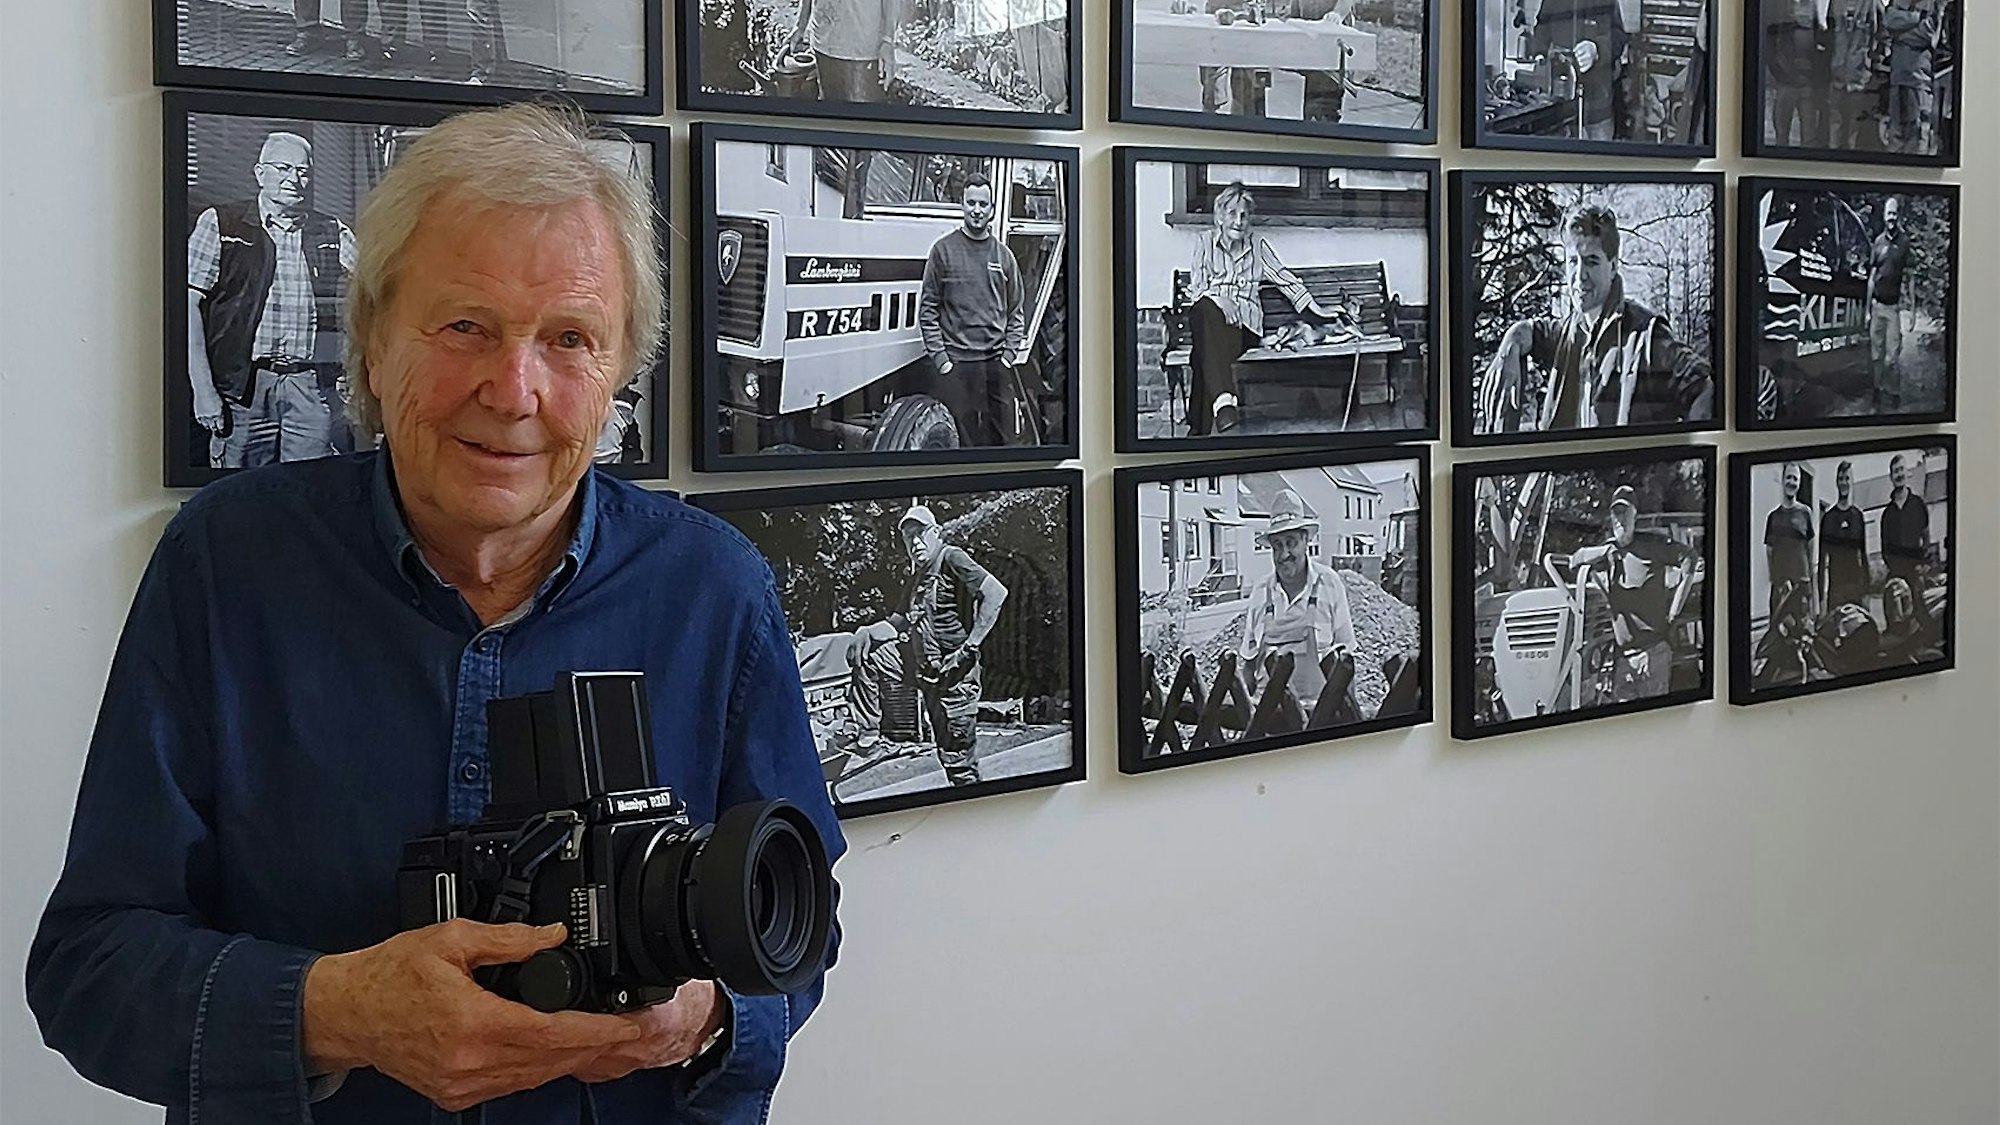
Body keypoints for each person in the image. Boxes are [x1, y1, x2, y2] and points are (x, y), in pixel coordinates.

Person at [30, 103, 844, 1122]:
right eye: (466, 326)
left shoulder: (712, 588)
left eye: (569, 339)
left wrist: (708, 1014)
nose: (514, 390)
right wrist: (339, 1012)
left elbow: (796, 925)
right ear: (371, 342)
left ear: (618, 376)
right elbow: (90, 965)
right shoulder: (228, 565)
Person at [187, 130, 357, 470]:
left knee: (312, 492)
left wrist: (355, 368)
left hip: (309, 388)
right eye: (282, 168)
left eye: (303, 171)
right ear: (259, 173)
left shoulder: (331, 231)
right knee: (240, 494)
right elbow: (187, 307)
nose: (294, 179)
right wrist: (203, 391)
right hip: (243, 387)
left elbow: (377, 295)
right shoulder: (221, 224)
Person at [1482, 203, 1713, 434]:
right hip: (1567, 467)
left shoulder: (1645, 336)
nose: (1579, 275)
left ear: (1613, 267)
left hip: (1623, 468)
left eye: (1591, 261)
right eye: (1573, 261)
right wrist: (1508, 350)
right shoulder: (1567, 333)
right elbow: (1528, 330)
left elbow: (1704, 389)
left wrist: (1687, 464)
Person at [1181, 183, 1346, 436]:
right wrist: (1220, 300)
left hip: (1243, 330)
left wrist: (1318, 310)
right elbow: (1197, 288)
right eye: (1233, 213)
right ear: (1220, 216)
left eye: (1245, 215)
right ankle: (1223, 404)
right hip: (1211, 321)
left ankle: (1198, 428)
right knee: (1204, 310)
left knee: (1201, 352)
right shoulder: (1204, 243)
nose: (1239, 221)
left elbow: (1285, 279)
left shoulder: (1257, 246)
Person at [895, 505, 1007, 787]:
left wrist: (970, 647)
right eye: (909, 538)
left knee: (960, 762)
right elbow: (898, 621)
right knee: (949, 757)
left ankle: (974, 818)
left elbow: (995, 593)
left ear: (935, 533)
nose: (916, 542)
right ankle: (870, 735)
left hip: (957, 678)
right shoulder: (917, 576)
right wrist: (864, 634)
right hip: (932, 680)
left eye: (921, 534)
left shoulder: (951, 557)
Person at [917, 172, 1027, 447]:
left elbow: (1016, 311)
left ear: (992, 210)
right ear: (962, 205)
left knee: (1000, 440)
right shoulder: (943, 251)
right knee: (961, 441)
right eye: (971, 203)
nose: (977, 210)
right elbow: (928, 308)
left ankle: (995, 489)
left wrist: (1008, 356)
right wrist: (942, 360)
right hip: (956, 364)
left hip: (994, 363)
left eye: (983, 204)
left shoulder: (1004, 256)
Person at [1236, 489, 1358, 728]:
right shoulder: (1261, 592)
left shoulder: (1329, 584)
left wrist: (1350, 717)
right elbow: (1248, 666)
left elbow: (1347, 661)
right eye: (1277, 546)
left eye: (1291, 543)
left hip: (1319, 720)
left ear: (1306, 540)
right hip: (1267, 722)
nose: (1284, 554)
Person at [1569, 485, 1698, 704]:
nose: (1621, 519)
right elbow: (1575, 560)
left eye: (1625, 512)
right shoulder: (1607, 553)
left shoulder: (1650, 546)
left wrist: (1675, 610)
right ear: (1610, 517)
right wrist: (1606, 550)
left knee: (1654, 726)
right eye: (1616, 513)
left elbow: (1690, 558)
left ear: (1634, 514)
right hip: (1623, 660)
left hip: (1653, 654)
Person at [1526, 0, 1629, 140]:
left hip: (1597, 107)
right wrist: (1539, 53)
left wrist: (1597, 49)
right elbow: (1542, 29)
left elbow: (1618, 37)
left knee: (1598, 158)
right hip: (1560, 109)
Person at [787, 0, 899, 103]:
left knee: (861, 118)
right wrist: (800, 26)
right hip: (822, 42)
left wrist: (888, 40)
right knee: (829, 113)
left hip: (861, 51)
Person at [1764, 0, 1825, 148]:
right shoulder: (1780, 23)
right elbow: (1769, 50)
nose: (1802, 10)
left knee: (1809, 139)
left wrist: (1814, 76)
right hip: (1785, 84)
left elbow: (1824, 54)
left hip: (1808, 86)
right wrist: (1780, 74)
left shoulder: (1818, 27)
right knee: (1781, 136)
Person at [1878, 453, 1931, 625]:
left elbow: (1926, 537)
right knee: (1898, 625)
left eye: (1901, 469)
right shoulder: (1887, 514)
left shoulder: (1918, 505)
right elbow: (1885, 549)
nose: (1899, 474)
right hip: (1896, 577)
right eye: (1895, 472)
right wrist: (1895, 573)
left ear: (1907, 472)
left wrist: (1922, 565)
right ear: (1891, 477)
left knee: (1921, 621)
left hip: (1916, 575)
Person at [1881, 0, 1940, 154]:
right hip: (1897, 79)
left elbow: (1928, 34)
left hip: (1919, 81)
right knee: (1895, 139)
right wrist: (1917, 18)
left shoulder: (1933, 3)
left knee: (1918, 138)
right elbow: (1888, 20)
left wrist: (1899, 36)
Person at [1764, 462, 1817, 630]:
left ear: (1799, 484)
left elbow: (1811, 549)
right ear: (1782, 481)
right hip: (1780, 589)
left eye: (1795, 478)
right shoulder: (1773, 517)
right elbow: (1769, 552)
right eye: (1788, 477)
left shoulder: (1805, 513)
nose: (1791, 482)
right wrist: (1777, 580)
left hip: (1801, 586)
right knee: (1779, 636)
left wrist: (1810, 584)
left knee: (1802, 635)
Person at [1868, 195, 1909, 412]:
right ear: (1884, 216)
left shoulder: (1904, 243)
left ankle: (1894, 393)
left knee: (1892, 357)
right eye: (1888, 213)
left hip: (1893, 308)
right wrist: (1868, 309)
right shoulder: (1877, 242)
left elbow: (1909, 274)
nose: (1891, 217)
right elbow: (1872, 277)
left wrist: (1909, 310)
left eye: (1894, 213)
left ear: (1897, 215)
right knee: (1876, 355)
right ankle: (1877, 390)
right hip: (1876, 307)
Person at [1826, 0, 1883, 151]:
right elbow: (1830, 34)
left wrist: (1873, 60)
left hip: (1860, 77)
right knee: (1834, 121)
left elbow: (1883, 34)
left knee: (1855, 124)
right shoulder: (1836, 3)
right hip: (1837, 74)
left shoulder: (1872, 3)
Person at [1818, 460, 1870, 612]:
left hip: (1856, 589)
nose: (1844, 483)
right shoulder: (1828, 518)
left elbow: (1864, 556)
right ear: (1836, 482)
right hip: (1836, 592)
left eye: (1847, 478)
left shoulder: (1857, 516)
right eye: (1841, 479)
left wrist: (1866, 593)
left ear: (1851, 481)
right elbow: (1822, 561)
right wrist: (1821, 599)